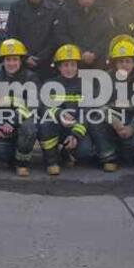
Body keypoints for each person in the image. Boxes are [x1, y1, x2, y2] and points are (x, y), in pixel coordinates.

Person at [88, 37, 134, 172]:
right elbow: (97, 105)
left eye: (128, 61)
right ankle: (109, 158)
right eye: (120, 61)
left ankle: (122, 155)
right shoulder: (105, 79)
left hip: (132, 122)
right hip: (111, 122)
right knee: (94, 120)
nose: (124, 65)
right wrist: (113, 120)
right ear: (114, 63)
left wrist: (133, 128)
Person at [38, 44, 95, 175]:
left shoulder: (85, 85)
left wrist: (75, 135)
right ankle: (51, 160)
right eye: (65, 65)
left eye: (73, 64)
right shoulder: (49, 84)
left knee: (85, 152)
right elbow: (44, 107)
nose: (70, 69)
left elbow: (86, 113)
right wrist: (59, 114)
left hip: (75, 127)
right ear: (59, 67)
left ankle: (66, 152)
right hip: (55, 126)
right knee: (45, 124)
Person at [0, 39, 40, 177]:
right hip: (1, 127)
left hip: (21, 122)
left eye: (15, 59)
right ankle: (17, 152)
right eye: (8, 59)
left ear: (21, 60)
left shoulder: (31, 78)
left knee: (29, 128)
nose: (11, 63)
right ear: (2, 61)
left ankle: (21, 163)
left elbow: (31, 105)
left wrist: (11, 122)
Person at [53, 0, 115, 70]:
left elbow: (108, 36)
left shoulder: (104, 12)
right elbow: (61, 35)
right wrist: (80, 52)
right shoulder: (65, 11)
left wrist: (94, 53)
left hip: (99, 65)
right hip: (72, 65)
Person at [6, 0, 60, 79]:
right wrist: (25, 57)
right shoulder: (16, 8)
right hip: (21, 65)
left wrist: (40, 58)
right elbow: (11, 35)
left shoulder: (54, 9)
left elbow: (55, 39)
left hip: (46, 65)